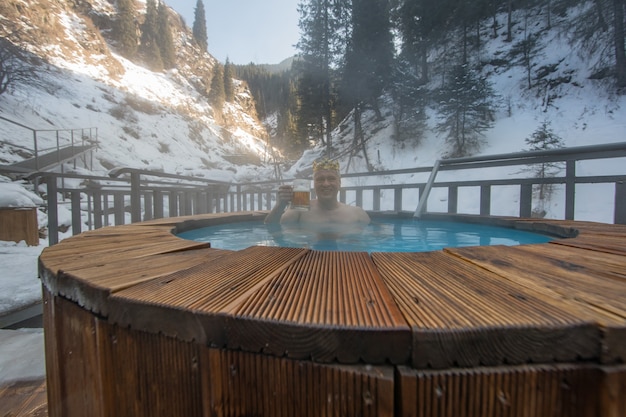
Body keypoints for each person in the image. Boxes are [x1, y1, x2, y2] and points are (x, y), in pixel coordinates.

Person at [264, 158, 370, 225]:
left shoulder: (357, 213)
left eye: (331, 179)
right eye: (320, 179)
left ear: (339, 183)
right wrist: (279, 206)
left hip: (343, 260)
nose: (326, 184)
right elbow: (271, 228)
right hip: (310, 260)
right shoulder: (300, 210)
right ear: (313, 184)